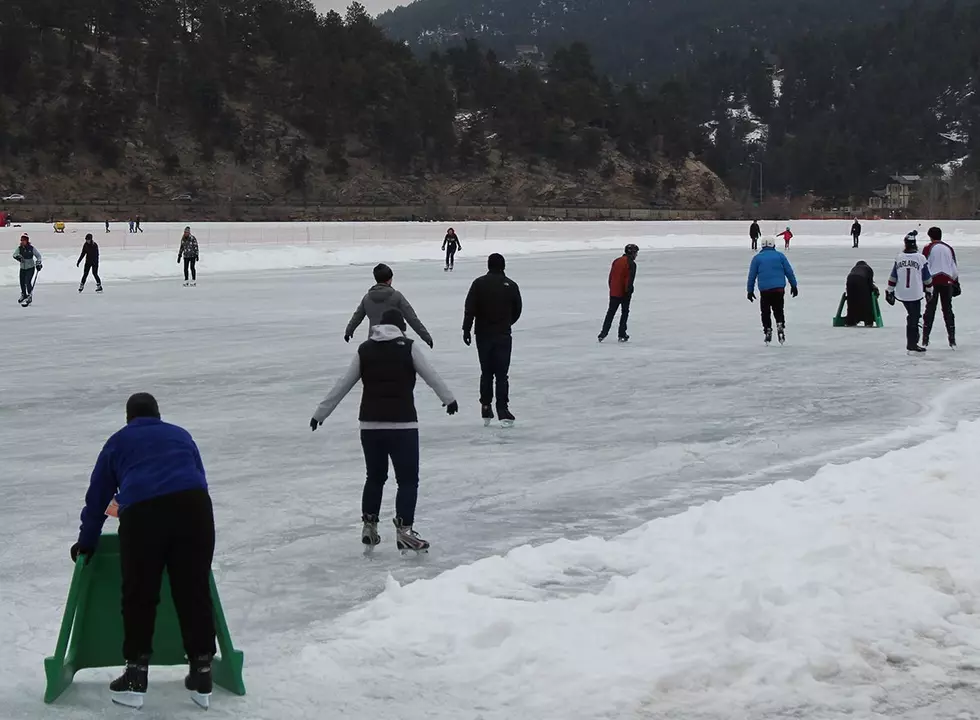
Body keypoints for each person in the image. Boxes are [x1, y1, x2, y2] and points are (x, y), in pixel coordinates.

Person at [70, 393, 216, 710]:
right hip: (194, 508)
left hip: (144, 514)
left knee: (140, 593)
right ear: (158, 414)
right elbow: (199, 479)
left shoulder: (118, 441)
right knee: (194, 589)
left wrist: (87, 542)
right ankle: (202, 672)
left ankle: (136, 676)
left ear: (129, 418)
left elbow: (97, 496)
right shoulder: (181, 434)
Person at [311, 309, 457, 552]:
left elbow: (342, 384)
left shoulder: (365, 349)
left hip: (370, 426)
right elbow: (432, 375)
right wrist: (448, 399)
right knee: (408, 480)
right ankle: (405, 532)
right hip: (403, 426)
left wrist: (320, 414)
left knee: (375, 477)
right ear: (401, 328)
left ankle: (369, 526)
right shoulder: (408, 347)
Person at [462, 253, 522, 425]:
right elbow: (518, 309)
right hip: (502, 334)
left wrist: (466, 329)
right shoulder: (510, 285)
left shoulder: (478, 283)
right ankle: (502, 410)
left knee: (486, 372)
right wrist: (506, 322)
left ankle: (486, 407)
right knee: (502, 374)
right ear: (503, 266)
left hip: (483, 334)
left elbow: (469, 308)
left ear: (488, 265)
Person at [345, 263, 433, 348]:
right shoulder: (396, 296)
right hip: (397, 343)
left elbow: (357, 317)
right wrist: (426, 337)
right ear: (390, 279)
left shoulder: (367, 298)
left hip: (374, 343)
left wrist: (348, 331)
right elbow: (412, 318)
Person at [886, 231, 933, 353]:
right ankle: (912, 343)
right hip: (915, 293)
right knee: (914, 317)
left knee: (912, 316)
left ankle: (912, 341)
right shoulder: (921, 258)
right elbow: (927, 278)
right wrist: (929, 290)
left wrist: (889, 291)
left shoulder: (899, 258)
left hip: (902, 293)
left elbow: (893, 276)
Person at [747, 237, 798, 344]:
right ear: (773, 245)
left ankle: (767, 329)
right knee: (778, 309)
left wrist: (750, 291)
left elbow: (752, 276)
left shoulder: (757, 258)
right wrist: (793, 285)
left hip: (765, 290)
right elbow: (789, 271)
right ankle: (780, 324)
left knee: (765, 311)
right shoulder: (780, 256)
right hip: (779, 289)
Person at [921, 226, 959, 348]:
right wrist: (955, 282)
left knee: (930, 310)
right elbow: (954, 267)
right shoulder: (949, 248)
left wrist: (923, 283)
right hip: (947, 281)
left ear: (930, 236)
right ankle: (952, 339)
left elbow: (923, 266)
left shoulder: (928, 248)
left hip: (933, 282)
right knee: (948, 310)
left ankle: (925, 339)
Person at [597, 244, 638, 343]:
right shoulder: (631, 264)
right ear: (632, 253)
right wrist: (628, 291)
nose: (636, 255)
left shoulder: (616, 261)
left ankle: (603, 334)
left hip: (614, 291)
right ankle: (622, 334)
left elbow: (611, 277)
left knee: (610, 312)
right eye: (636, 253)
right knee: (624, 313)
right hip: (624, 292)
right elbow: (629, 280)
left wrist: (611, 288)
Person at [844, 261, 877, 326]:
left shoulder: (854, 268)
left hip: (850, 279)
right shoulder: (868, 269)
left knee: (851, 301)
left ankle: (850, 321)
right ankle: (868, 321)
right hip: (861, 279)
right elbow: (870, 284)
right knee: (865, 301)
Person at [13, 233, 41, 305]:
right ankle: (24, 294)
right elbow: (14, 254)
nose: (22, 241)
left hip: (30, 268)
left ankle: (29, 295)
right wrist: (18, 257)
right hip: (22, 268)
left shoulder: (31, 248)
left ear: (27, 241)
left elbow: (38, 256)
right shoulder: (19, 248)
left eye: (24, 240)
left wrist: (38, 264)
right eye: (21, 240)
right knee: (22, 282)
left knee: (27, 282)